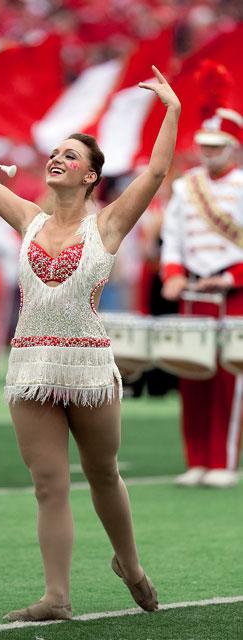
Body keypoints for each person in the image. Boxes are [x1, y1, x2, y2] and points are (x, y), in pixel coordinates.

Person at [0, 66, 180, 620]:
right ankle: (56, 597)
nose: (57, 159)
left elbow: (155, 173)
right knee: (47, 484)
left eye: (71, 156)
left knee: (103, 472)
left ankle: (128, 563)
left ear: (89, 177)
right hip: (31, 364)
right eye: (54, 153)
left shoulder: (106, 225)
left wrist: (171, 109)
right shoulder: (29, 219)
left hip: (88, 368)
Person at [161, 102, 243, 489]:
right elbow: (172, 240)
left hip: (233, 293)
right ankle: (195, 459)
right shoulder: (184, 186)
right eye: (205, 146)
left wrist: (229, 277)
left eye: (217, 146)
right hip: (193, 292)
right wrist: (173, 275)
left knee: (230, 378)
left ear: (234, 146)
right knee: (191, 375)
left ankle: (223, 460)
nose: (208, 153)